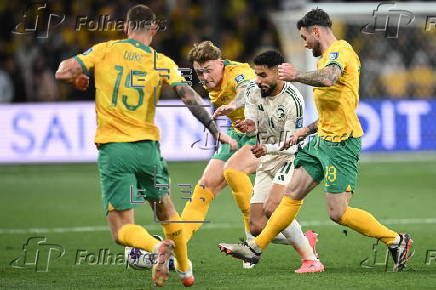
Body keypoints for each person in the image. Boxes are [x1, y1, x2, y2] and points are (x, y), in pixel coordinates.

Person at [217, 8, 412, 272]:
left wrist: (296, 75)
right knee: (292, 195)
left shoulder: (340, 52)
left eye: (304, 37)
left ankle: (396, 240)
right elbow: (333, 109)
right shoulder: (325, 60)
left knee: (338, 213)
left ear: (316, 31)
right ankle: (256, 248)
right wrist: (305, 131)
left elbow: (329, 79)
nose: (304, 43)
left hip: (342, 143)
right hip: (321, 140)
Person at [55, 5, 236, 287]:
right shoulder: (162, 61)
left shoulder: (104, 50)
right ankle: (186, 271)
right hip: (148, 148)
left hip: (115, 149)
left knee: (122, 228)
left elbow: (62, 71)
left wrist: (77, 77)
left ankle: (154, 248)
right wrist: (215, 130)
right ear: (153, 30)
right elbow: (188, 96)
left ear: (127, 28)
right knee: (166, 210)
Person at [218, 50, 324, 273]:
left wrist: (266, 147)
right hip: (266, 157)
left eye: (263, 75)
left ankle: (311, 260)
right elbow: (253, 122)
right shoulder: (253, 91)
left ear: (278, 73)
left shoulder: (293, 99)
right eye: (256, 74)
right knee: (257, 226)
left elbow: (290, 142)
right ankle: (306, 239)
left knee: (273, 207)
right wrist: (249, 126)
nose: (258, 80)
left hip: (289, 157)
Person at [180, 41, 259, 254]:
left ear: (221, 63)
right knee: (206, 184)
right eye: (199, 72)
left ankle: (252, 243)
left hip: (265, 133)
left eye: (208, 70)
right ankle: (178, 243)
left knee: (235, 171)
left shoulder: (238, 72)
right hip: (237, 133)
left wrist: (234, 104)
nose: (204, 77)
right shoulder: (211, 83)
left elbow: (247, 90)